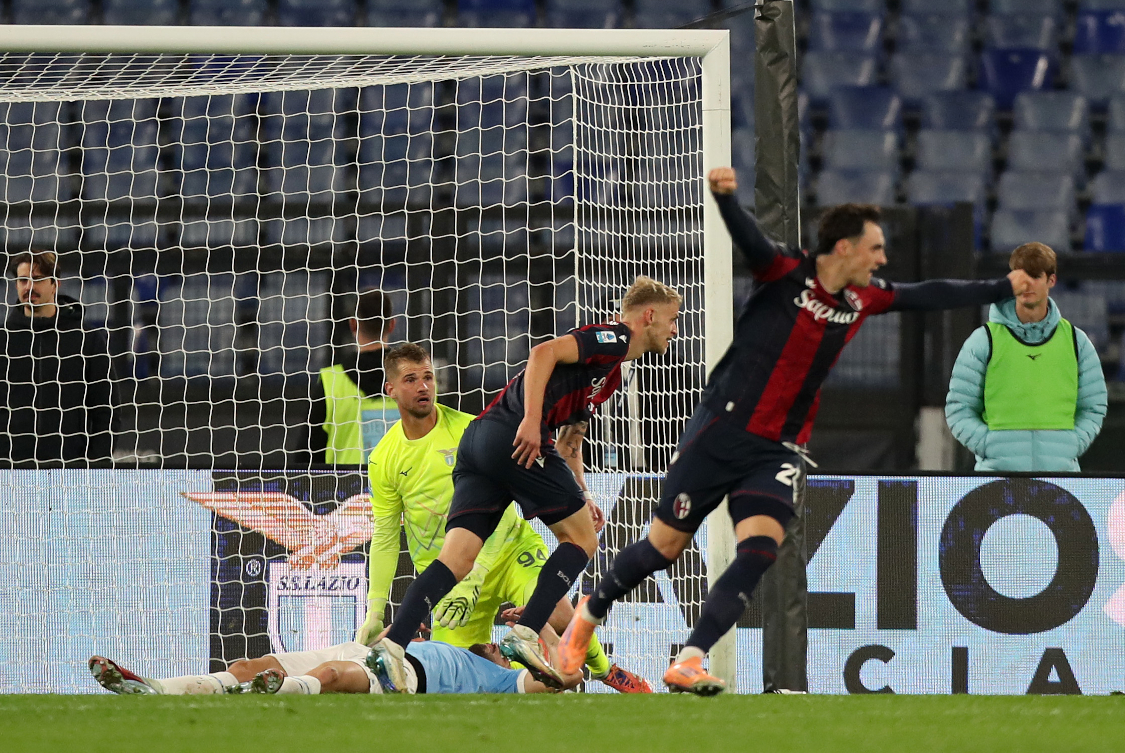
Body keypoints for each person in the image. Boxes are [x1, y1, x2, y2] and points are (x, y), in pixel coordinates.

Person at [557, 167, 1037, 695]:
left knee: (760, 548)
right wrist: (726, 199)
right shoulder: (786, 272)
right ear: (845, 247)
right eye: (875, 248)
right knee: (662, 548)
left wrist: (1001, 286)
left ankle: (690, 658)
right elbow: (749, 238)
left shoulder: (863, 299)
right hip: (720, 430)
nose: (881, 260)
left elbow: (929, 293)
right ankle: (589, 614)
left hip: (777, 448)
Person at [371, 277, 682, 690]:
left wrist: (583, 494)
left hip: (478, 443)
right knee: (583, 541)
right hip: (513, 436)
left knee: (457, 559)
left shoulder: (607, 377)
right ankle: (527, 632)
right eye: (673, 319)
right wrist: (532, 421)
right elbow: (542, 353)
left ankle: (392, 645)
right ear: (650, 316)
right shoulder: (614, 338)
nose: (676, 329)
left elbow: (571, 442)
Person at [945, 242, 1108, 471]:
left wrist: (1071, 445)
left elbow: (1094, 406)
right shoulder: (983, 340)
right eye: (1020, 275)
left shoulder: (1076, 342)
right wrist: (989, 446)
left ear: (1051, 281)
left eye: (1035, 275)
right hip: (997, 478)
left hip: (1061, 478)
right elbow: (958, 409)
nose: (1027, 283)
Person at [87, 623, 581, 696]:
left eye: (503, 647)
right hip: (380, 650)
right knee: (249, 661)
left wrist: (544, 638)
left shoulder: (501, 682)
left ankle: (274, 692)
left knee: (333, 677)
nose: (496, 644)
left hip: (409, 675)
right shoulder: (457, 640)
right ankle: (156, 688)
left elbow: (563, 676)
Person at [0, 250, 118, 467]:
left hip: (70, 472)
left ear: (55, 284)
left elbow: (106, 411)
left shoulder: (88, 339)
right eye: (23, 280)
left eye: (37, 280)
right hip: (9, 473)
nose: (29, 287)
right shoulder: (3, 339)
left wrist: (94, 467)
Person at [293, 289, 397, 467]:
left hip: (345, 491)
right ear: (392, 325)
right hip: (405, 491)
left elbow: (306, 459)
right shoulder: (419, 382)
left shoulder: (332, 382)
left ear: (353, 325)